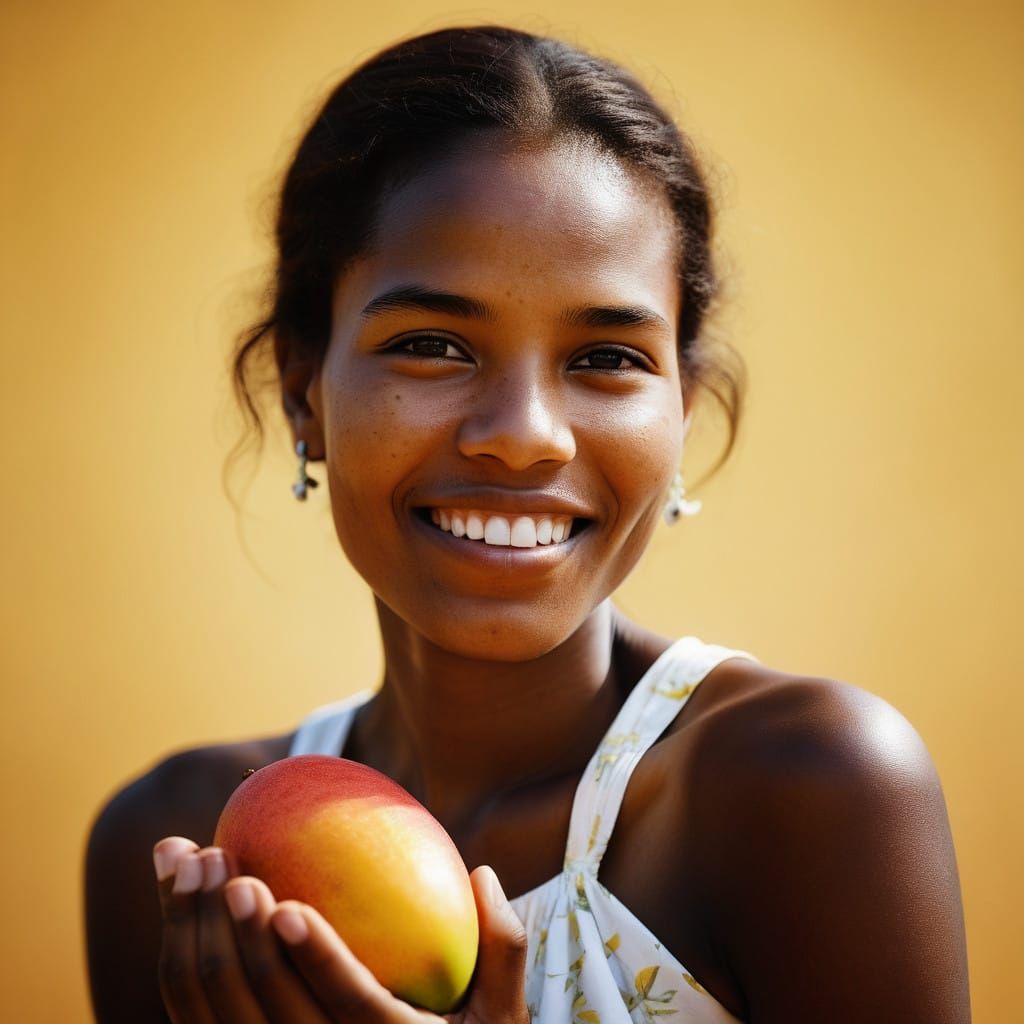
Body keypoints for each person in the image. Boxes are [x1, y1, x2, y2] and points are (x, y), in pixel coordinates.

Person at [84, 25, 970, 1024]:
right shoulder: (185, 860)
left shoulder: (805, 791)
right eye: (432, 344)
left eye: (606, 358)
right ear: (302, 389)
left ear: (681, 409)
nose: (524, 437)